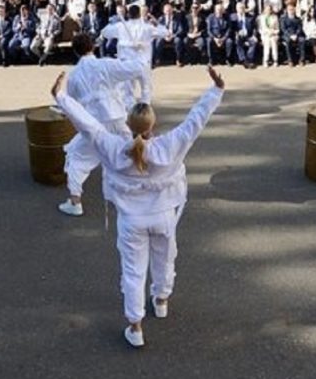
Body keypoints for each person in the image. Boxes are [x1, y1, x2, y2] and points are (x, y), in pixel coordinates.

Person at [51, 65, 225, 349]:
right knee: (165, 259)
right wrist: (216, 90)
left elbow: (89, 125)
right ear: (153, 126)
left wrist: (62, 97)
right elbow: (196, 120)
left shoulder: (112, 147)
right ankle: (161, 299)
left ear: (128, 126)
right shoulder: (170, 145)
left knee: (133, 271)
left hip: (131, 220)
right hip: (164, 217)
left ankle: (136, 326)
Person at [58, 34, 149, 217]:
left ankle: (75, 201)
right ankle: (144, 190)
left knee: (76, 156)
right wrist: (139, 52)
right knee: (131, 153)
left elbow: (70, 104)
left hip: (94, 124)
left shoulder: (74, 75)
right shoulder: (105, 64)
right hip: (117, 117)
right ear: (93, 47)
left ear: (75, 51)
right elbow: (138, 67)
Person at [101, 4, 168, 103]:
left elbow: (104, 32)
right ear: (139, 14)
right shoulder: (146, 28)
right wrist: (157, 23)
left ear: (128, 14)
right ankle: (144, 112)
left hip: (127, 64)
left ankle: (130, 113)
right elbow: (165, 32)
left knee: (127, 92)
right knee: (145, 89)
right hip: (142, 63)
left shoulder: (120, 27)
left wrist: (113, 22)